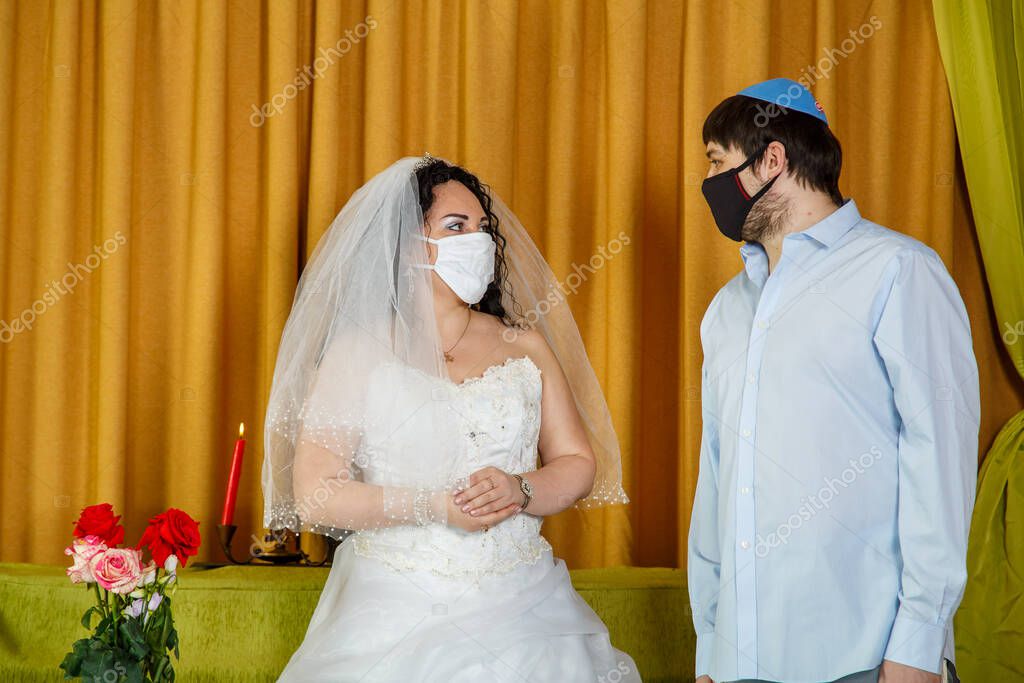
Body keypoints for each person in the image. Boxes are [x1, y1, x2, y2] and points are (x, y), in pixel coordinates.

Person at [262, 155, 640, 682]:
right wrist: (434, 505)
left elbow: (578, 462)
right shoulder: (357, 352)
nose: (478, 242)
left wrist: (522, 489)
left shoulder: (523, 345)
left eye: (482, 228)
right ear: (405, 245)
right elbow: (316, 492)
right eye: (456, 227)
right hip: (392, 603)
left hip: (525, 604)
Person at [688, 78, 978, 683]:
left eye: (717, 162)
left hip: (868, 658)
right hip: (741, 661)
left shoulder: (899, 272)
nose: (708, 185)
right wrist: (712, 643)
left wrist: (919, 650)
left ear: (772, 158)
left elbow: (939, 465)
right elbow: (717, 478)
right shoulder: (726, 309)